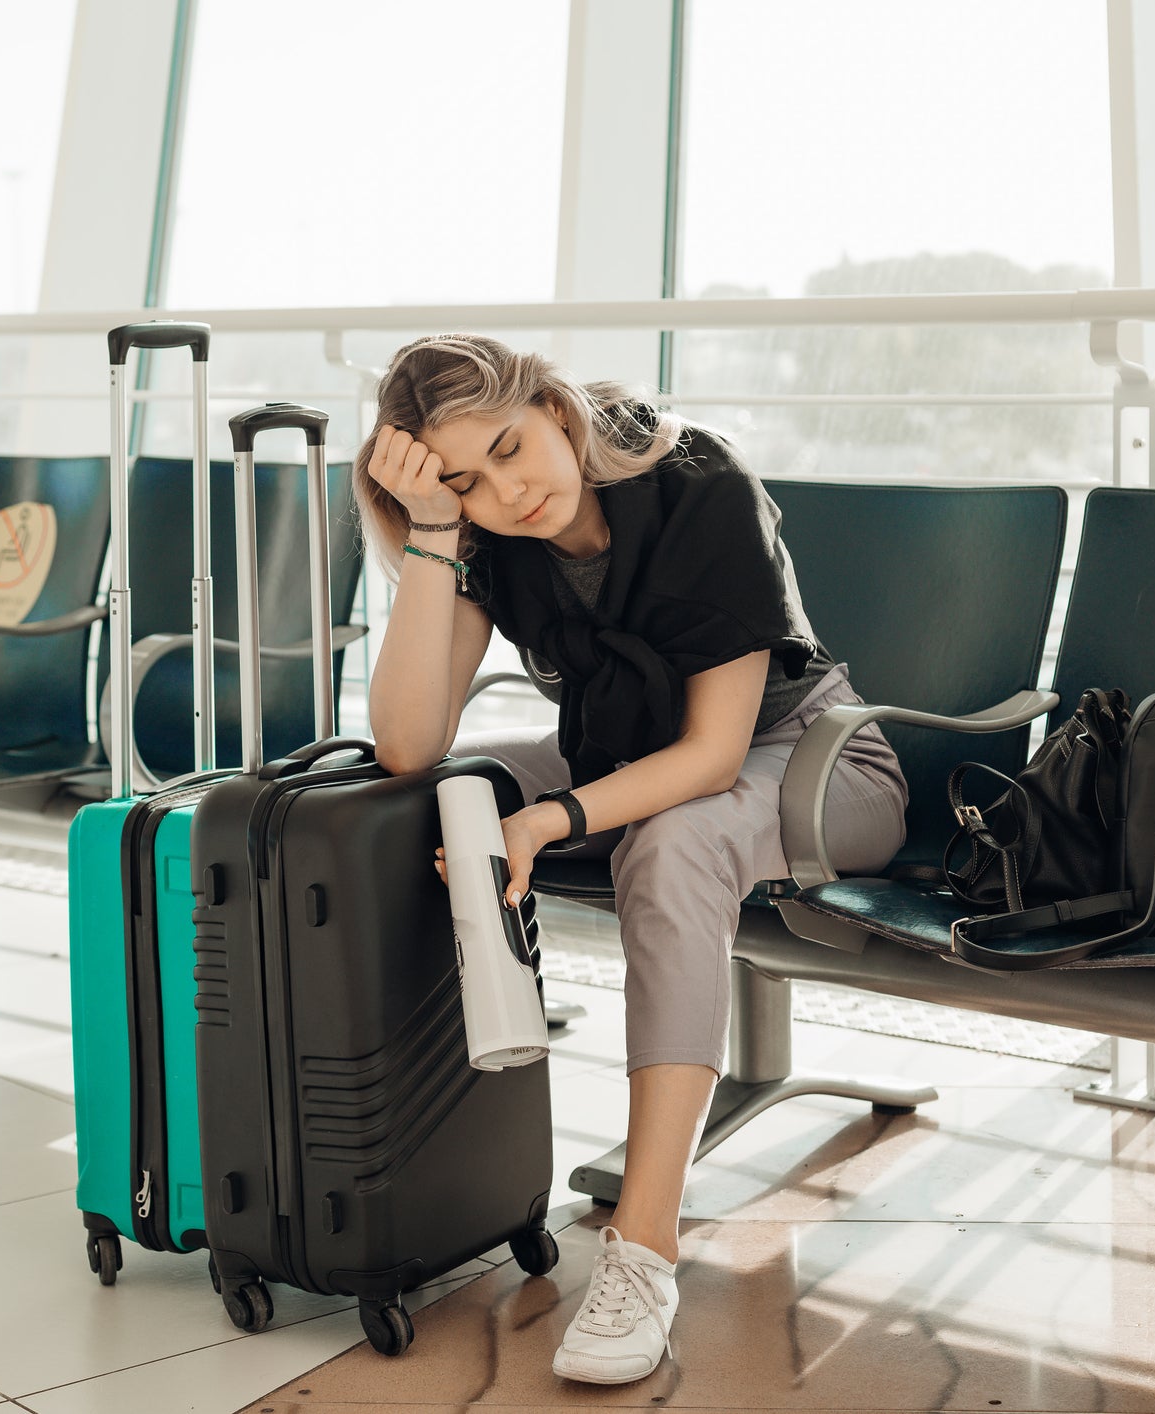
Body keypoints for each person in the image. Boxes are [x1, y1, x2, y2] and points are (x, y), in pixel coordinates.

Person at [356, 333, 908, 1384]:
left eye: (513, 448)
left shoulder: (700, 481)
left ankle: (644, 1250)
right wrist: (434, 530)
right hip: (629, 758)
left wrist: (553, 817)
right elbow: (409, 742)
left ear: (557, 409)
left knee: (671, 841)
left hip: (817, 762)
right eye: (468, 479)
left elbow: (709, 757)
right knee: (443, 792)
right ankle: (430, 1150)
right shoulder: (482, 530)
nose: (507, 490)